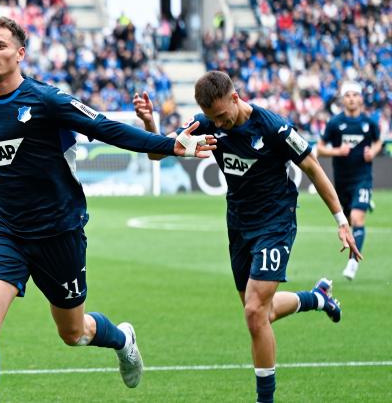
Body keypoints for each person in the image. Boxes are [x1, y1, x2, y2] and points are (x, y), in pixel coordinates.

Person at [0, 17, 216, 402]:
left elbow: (106, 128)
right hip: (7, 232)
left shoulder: (49, 101)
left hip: (59, 232)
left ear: (20, 53)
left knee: (73, 333)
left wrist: (169, 145)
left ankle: (122, 338)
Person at [134, 71, 361, 403]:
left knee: (254, 312)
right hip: (239, 223)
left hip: (275, 222)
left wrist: (341, 220)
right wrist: (150, 123)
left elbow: (312, 166)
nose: (220, 124)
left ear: (236, 98)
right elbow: (157, 153)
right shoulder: (208, 124)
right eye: (213, 119)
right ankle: (317, 298)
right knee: (261, 313)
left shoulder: (274, 127)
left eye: (223, 116)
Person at [316, 81, 382, 280]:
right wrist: (337, 151)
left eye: (355, 95)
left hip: (362, 178)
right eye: (348, 95)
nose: (352, 98)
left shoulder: (369, 123)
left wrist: (374, 151)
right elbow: (319, 148)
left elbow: (378, 141)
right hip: (342, 181)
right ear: (343, 99)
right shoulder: (335, 123)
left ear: (360, 98)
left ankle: (353, 263)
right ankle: (363, 201)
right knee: (348, 221)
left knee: (356, 218)